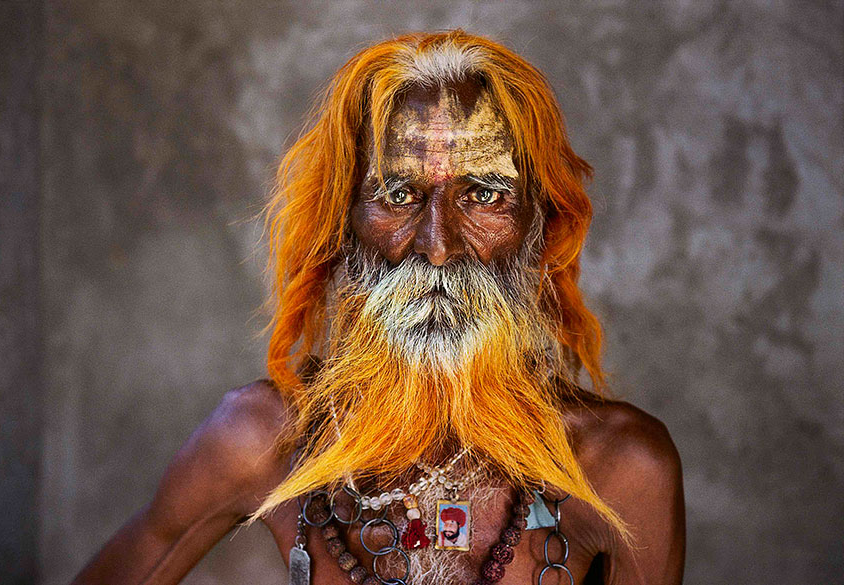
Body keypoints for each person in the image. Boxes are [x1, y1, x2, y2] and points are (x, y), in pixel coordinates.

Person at [72, 30, 685, 585]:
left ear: (539, 227)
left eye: (484, 194)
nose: (438, 247)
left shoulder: (621, 469)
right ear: (342, 225)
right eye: (398, 193)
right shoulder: (262, 439)